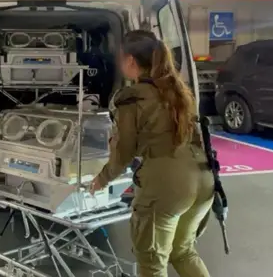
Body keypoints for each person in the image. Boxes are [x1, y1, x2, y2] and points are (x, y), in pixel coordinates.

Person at [90, 29, 214, 277]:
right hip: (204, 179)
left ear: (130, 61)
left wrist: (101, 180)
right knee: (183, 251)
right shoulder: (177, 91)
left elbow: (123, 152)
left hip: (167, 185)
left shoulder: (133, 99)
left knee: (152, 262)